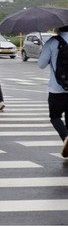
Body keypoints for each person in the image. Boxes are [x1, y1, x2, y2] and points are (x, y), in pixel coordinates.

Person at [38, 25, 68, 158]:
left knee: (55, 117)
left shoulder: (52, 42)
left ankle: (66, 137)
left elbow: (41, 64)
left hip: (56, 88)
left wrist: (46, 51)